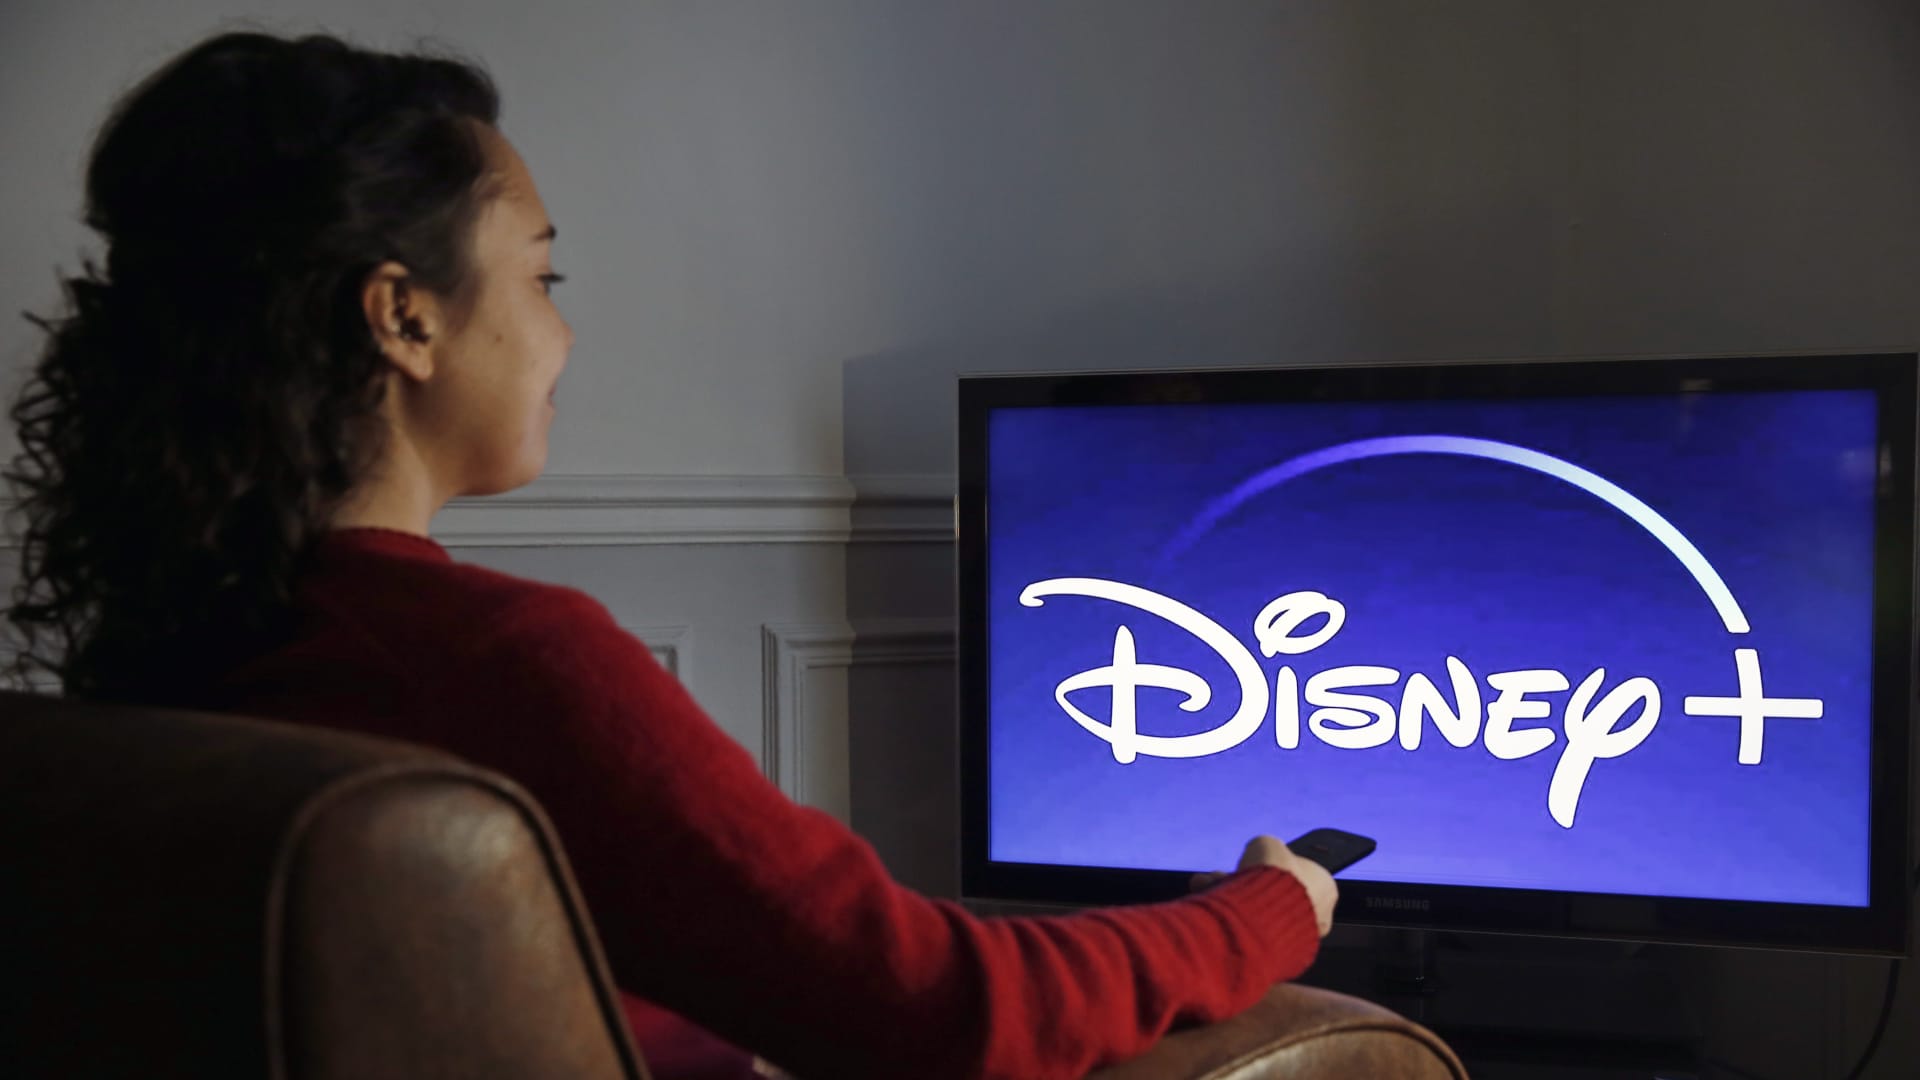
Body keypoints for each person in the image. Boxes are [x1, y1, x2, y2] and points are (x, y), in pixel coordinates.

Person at [0, 26, 1338, 1080]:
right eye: (542, 280)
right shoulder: (503, 664)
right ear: (404, 318)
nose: (563, 335)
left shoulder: (190, 643)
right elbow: (951, 1009)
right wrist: (1265, 914)